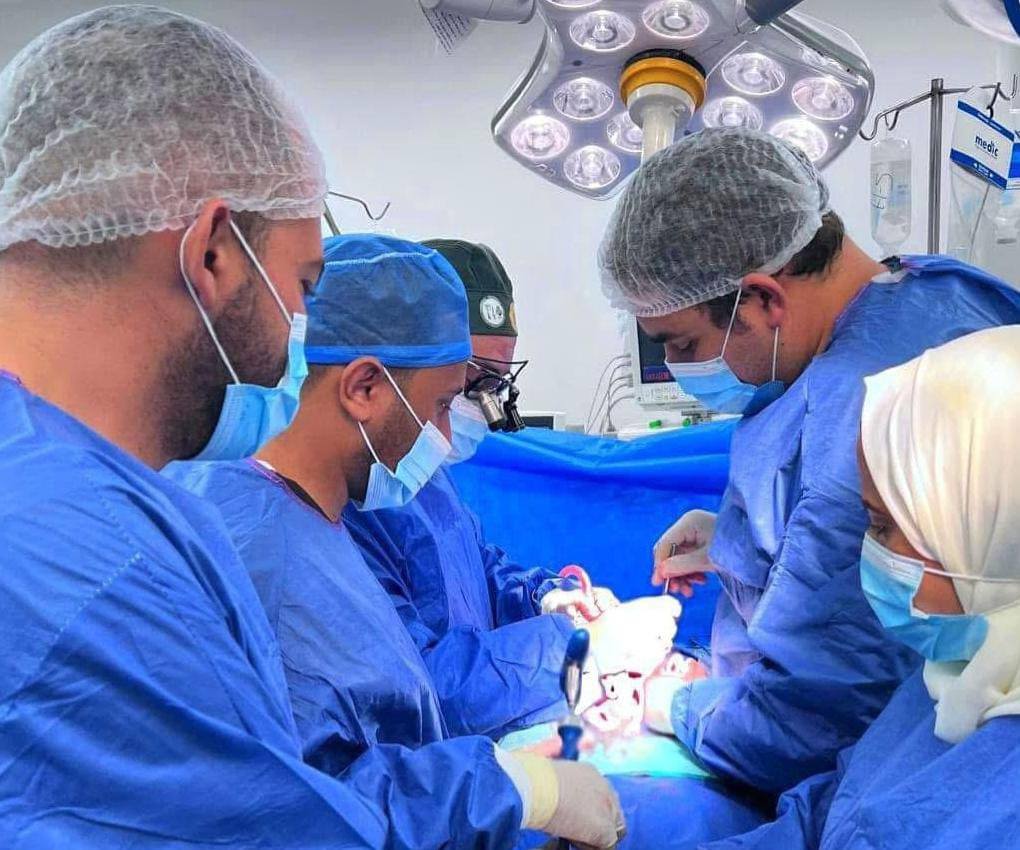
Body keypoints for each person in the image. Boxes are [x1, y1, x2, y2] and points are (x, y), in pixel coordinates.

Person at [0, 8, 616, 848]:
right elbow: (281, 825)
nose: (304, 326)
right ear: (213, 253)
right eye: (302, 285)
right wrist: (511, 791)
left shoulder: (97, 501)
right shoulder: (86, 553)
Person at [167, 233, 628, 849]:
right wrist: (516, 789)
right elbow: (307, 812)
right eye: (443, 403)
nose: (446, 435)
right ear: (364, 388)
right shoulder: (257, 551)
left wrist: (544, 601)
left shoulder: (316, 516)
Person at [599, 126, 1020, 799]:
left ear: (764, 298)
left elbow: (814, 718)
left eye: (681, 343)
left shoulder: (855, 411)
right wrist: (742, 544)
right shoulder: (939, 286)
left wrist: (671, 704)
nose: (675, 368)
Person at [699, 324, 1020, 849]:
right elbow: (834, 812)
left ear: (996, 532)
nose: (866, 553)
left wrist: (680, 708)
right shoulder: (951, 674)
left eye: (883, 526)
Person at [345, 238, 619, 738]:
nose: (483, 409)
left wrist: (543, 599)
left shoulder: (422, 474)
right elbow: (416, 689)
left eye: (498, 383)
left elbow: (475, 570)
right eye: (465, 387)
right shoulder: (351, 501)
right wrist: (568, 648)